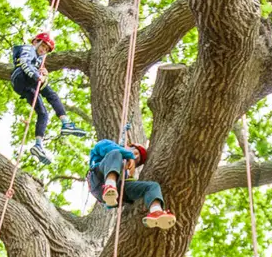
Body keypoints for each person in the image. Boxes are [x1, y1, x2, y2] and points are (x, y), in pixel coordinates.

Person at [9, 31, 84, 164]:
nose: (43, 50)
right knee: (52, 95)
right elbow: (25, 64)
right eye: (43, 46)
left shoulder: (38, 59)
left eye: (46, 49)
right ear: (35, 42)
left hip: (25, 86)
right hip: (21, 76)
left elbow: (34, 69)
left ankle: (38, 145)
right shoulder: (28, 49)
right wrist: (39, 77)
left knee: (43, 113)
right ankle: (66, 123)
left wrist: (43, 74)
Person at [87, 139, 174, 229]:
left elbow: (130, 188)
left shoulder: (126, 174)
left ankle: (156, 211)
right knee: (116, 153)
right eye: (135, 152)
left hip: (116, 189)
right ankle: (109, 184)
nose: (135, 158)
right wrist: (128, 156)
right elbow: (103, 147)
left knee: (152, 186)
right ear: (127, 146)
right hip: (98, 177)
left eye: (137, 161)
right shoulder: (109, 146)